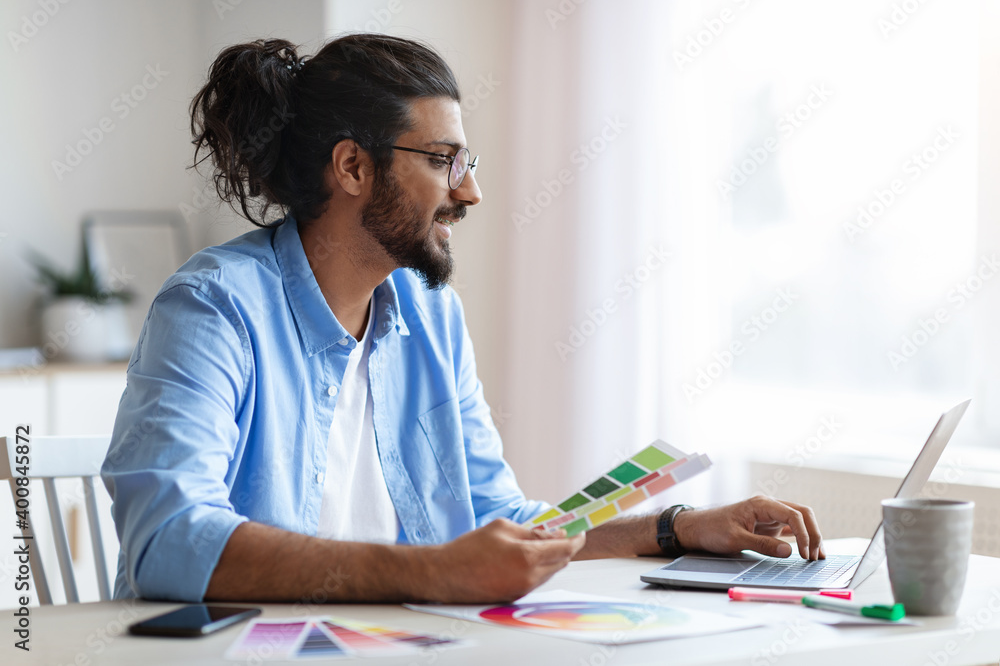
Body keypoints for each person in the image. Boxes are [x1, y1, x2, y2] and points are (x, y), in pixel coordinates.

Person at [101, 33, 824, 604]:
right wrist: (432, 572)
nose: (470, 190)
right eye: (444, 160)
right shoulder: (215, 306)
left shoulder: (430, 314)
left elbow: (495, 520)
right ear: (352, 168)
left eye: (466, 160)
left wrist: (674, 529)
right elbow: (169, 540)